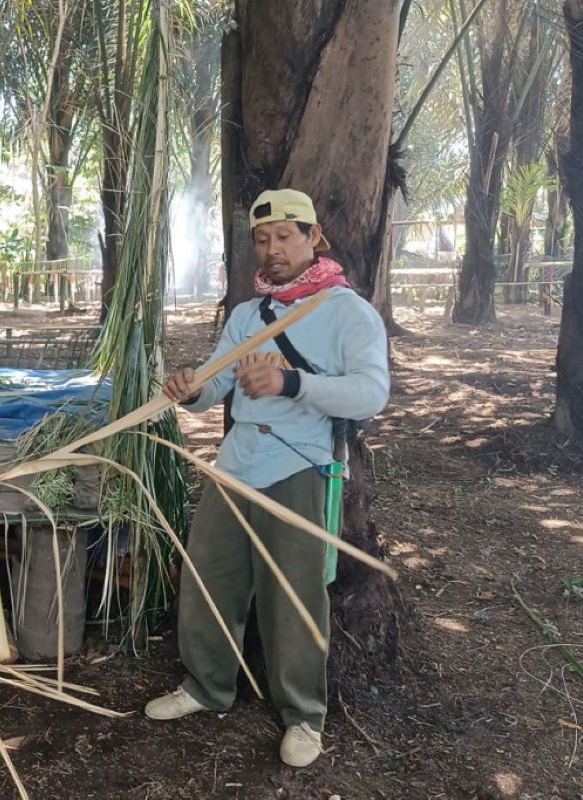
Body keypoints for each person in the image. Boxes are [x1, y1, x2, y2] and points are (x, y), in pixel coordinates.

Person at [144, 189, 389, 768]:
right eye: (262, 239)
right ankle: (207, 686)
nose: (272, 249)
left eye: (284, 236)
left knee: (295, 596)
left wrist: (292, 385)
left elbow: (372, 392)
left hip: (300, 467)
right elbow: (217, 385)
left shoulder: (347, 311)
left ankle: (304, 715)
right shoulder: (247, 315)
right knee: (210, 578)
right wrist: (192, 387)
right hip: (234, 468)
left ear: (312, 237)